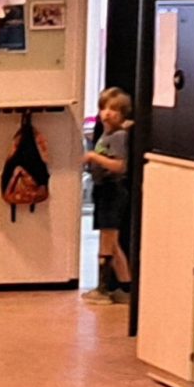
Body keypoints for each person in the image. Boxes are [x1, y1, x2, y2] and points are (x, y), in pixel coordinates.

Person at [83, 88, 133, 303]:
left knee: (107, 241)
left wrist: (94, 157)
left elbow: (120, 166)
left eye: (113, 109)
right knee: (112, 243)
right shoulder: (106, 134)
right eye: (104, 108)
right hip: (103, 189)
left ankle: (103, 289)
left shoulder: (119, 136)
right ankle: (126, 286)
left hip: (113, 190)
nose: (107, 113)